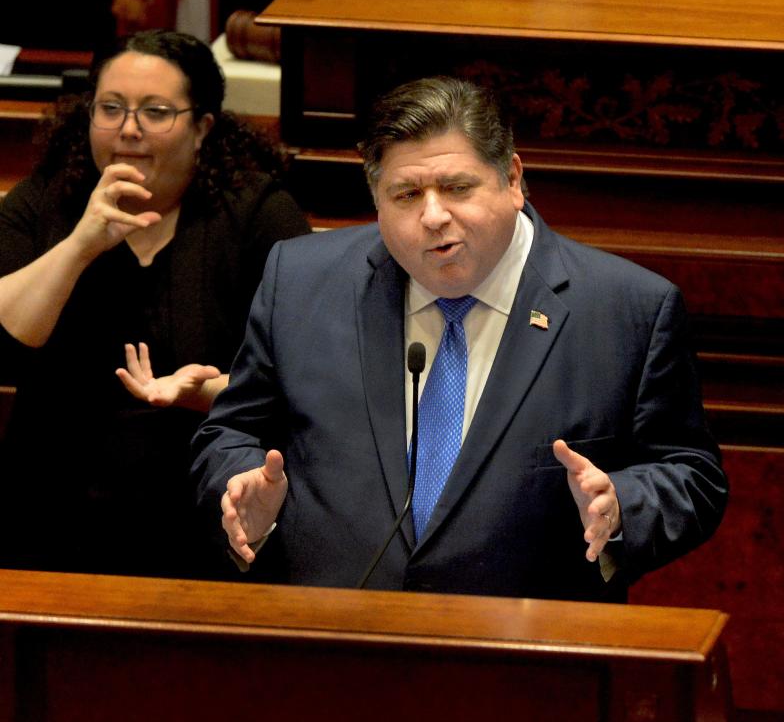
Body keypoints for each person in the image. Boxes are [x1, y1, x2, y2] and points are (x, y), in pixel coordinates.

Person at [193, 76, 727, 601]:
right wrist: (242, 494)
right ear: (376, 201)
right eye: (405, 194)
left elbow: (692, 476)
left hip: (526, 660)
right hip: (334, 644)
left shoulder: (626, 308)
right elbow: (231, 433)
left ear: (513, 179)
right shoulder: (302, 280)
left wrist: (621, 506)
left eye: (456, 188)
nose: (433, 216)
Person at [0, 30, 310, 578]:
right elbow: (10, 335)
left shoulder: (258, 215)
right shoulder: (45, 201)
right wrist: (80, 245)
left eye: (156, 112)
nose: (129, 129)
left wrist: (210, 393)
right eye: (111, 108)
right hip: (53, 499)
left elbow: (307, 371)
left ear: (202, 129)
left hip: (206, 500)